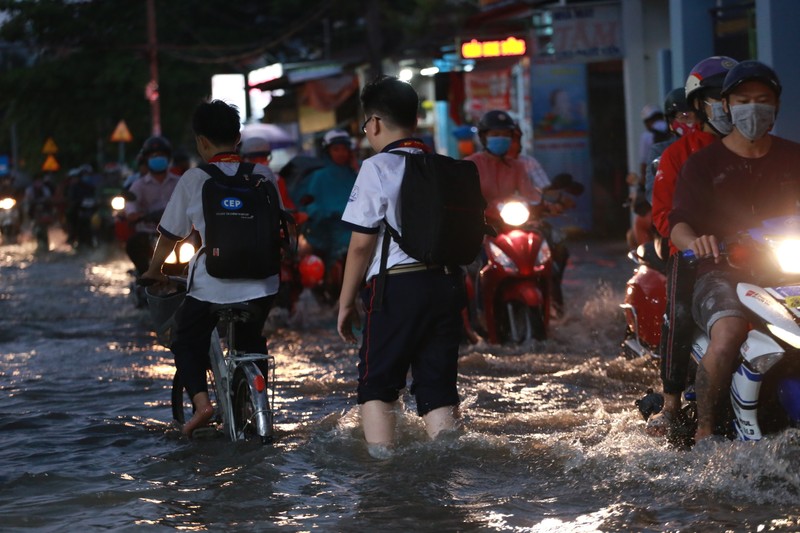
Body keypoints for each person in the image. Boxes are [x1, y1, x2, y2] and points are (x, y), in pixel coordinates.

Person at [669, 60, 800, 443]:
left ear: (776, 105)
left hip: (788, 272)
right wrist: (695, 242)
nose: (753, 108)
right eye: (744, 100)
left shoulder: (794, 156)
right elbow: (679, 222)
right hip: (723, 271)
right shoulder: (702, 164)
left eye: (762, 99)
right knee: (726, 333)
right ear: (726, 106)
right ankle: (707, 433)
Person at [337, 75, 465, 454]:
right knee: (437, 389)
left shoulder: (377, 168)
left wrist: (345, 303)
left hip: (397, 290)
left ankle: (383, 472)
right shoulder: (445, 166)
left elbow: (361, 245)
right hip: (447, 286)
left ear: (374, 123)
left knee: (376, 385)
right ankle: (448, 461)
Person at [140, 100, 281, 436]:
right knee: (252, 342)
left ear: (201, 141)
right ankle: (252, 402)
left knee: (186, 339)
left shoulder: (194, 178)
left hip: (211, 285)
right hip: (263, 283)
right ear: (237, 138)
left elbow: (170, 235)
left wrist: (155, 269)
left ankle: (203, 405)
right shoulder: (262, 174)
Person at [645, 56, 738, 437]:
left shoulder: (762, 151)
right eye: (719, 97)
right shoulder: (679, 154)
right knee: (679, 311)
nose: (730, 106)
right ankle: (670, 402)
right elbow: (663, 214)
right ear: (699, 105)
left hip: (756, 253)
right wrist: (691, 239)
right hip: (694, 254)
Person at [302, 129, 358, 271]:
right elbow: (310, 206)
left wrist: (359, 170)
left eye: (344, 149)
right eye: (336, 149)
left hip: (360, 234)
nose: (341, 153)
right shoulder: (318, 177)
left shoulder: (359, 172)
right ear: (328, 151)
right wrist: (327, 213)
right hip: (329, 235)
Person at [125, 136, 180, 276]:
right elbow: (131, 209)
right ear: (146, 159)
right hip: (148, 233)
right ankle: (144, 277)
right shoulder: (138, 186)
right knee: (133, 244)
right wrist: (137, 215)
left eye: (161, 155)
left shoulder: (180, 183)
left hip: (177, 234)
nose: (157, 158)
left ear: (168, 158)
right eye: (153, 155)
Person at [644, 87, 698, 205]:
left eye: (697, 115)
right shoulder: (660, 151)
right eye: (684, 116)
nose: (692, 121)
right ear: (671, 122)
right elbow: (653, 195)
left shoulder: (717, 145)